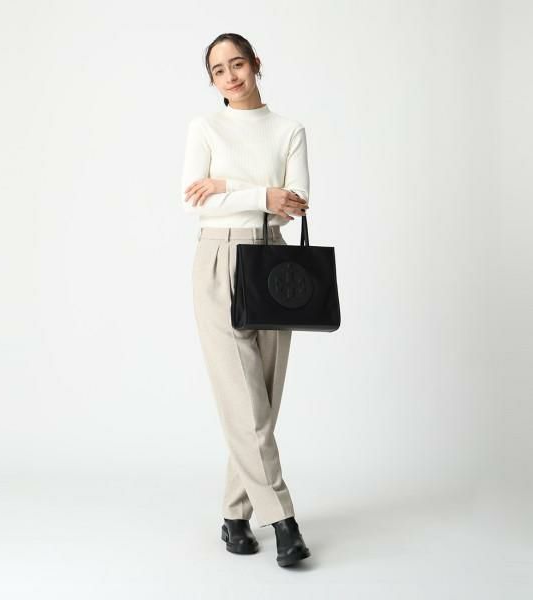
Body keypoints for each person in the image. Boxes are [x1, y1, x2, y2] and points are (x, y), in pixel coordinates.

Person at [181, 32, 311, 568]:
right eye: (219, 70)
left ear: (256, 64)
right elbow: (194, 200)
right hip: (218, 260)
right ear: (212, 80)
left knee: (263, 399)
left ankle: (235, 515)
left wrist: (227, 187)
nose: (231, 76)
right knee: (244, 399)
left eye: (237, 64)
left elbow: (293, 206)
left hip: (273, 260)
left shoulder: (289, 130)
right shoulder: (205, 127)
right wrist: (259, 192)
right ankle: (283, 521)